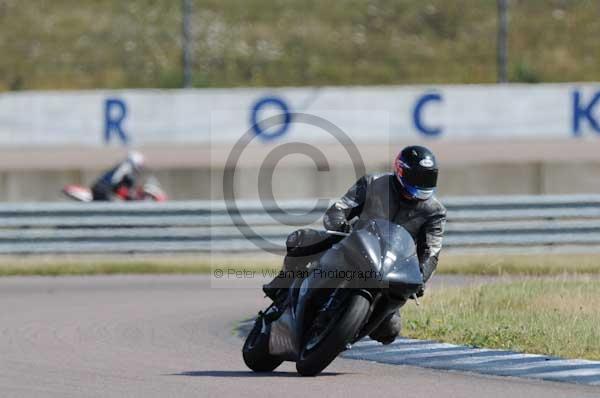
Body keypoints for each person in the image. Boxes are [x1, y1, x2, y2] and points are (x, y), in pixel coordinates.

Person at [263, 145, 447, 344]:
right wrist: (341, 226)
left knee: (390, 330)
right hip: (356, 246)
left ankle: (347, 332)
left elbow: (432, 251)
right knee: (300, 239)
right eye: (418, 177)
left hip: (391, 268)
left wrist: (421, 277)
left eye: (427, 178)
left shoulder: (434, 211)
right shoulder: (373, 183)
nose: (422, 184)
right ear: (401, 170)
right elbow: (338, 210)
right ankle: (283, 285)